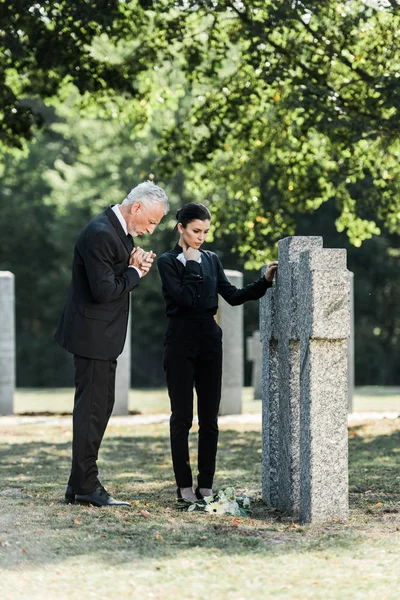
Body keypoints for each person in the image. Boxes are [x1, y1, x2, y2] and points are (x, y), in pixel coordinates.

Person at [55, 181, 169, 507]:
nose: (150, 230)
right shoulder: (101, 232)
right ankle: (86, 488)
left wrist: (132, 263)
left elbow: (113, 271)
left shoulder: (117, 232)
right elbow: (104, 290)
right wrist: (134, 272)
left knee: (98, 408)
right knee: (92, 410)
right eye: (150, 221)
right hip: (93, 338)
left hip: (101, 339)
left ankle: (78, 485)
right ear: (136, 208)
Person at [157, 202, 278, 502]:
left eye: (206, 232)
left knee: (210, 418)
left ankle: (206, 484)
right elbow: (184, 299)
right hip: (180, 340)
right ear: (180, 228)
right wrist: (192, 263)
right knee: (182, 417)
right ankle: (184, 486)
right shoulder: (167, 262)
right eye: (196, 231)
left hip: (210, 340)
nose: (201, 237)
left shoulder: (211, 259)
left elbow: (233, 297)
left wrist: (263, 283)